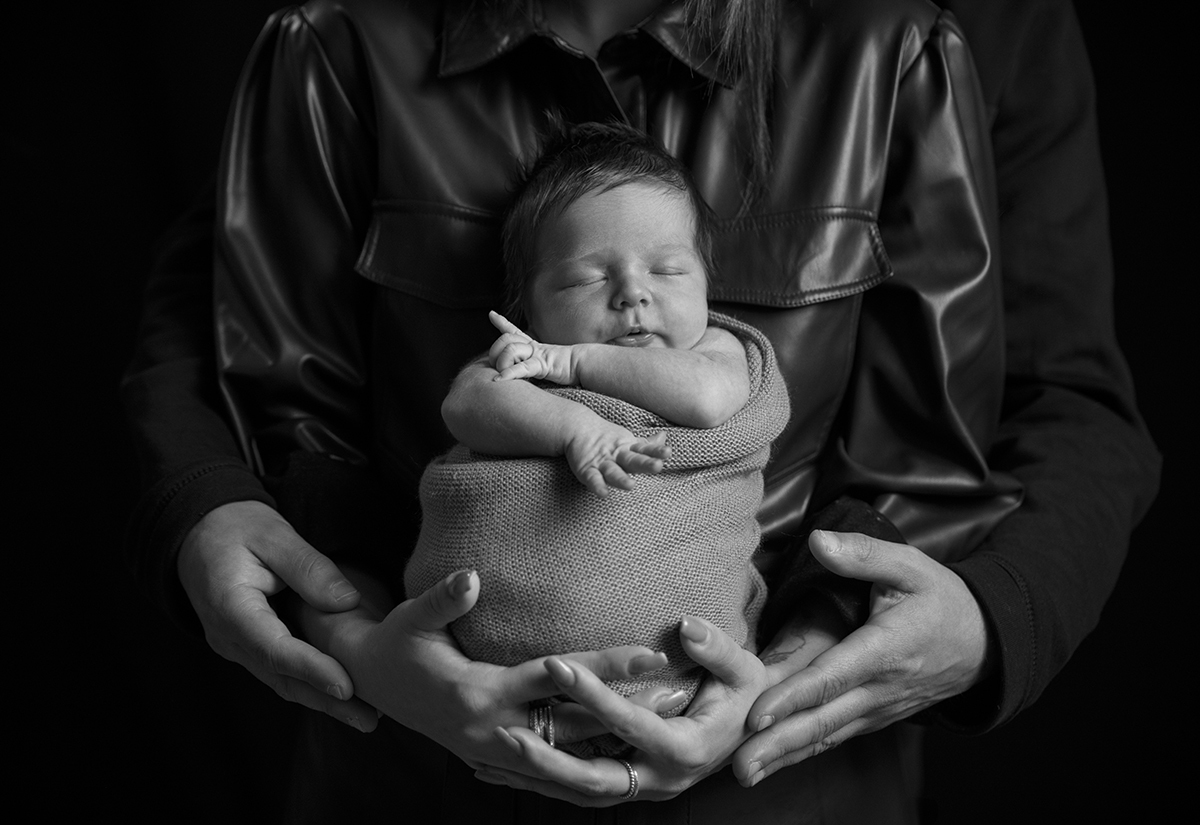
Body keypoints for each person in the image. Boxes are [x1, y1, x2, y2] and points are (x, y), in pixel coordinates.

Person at [121, 0, 1160, 821]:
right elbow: (220, 339)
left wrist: (965, 622)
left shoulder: (911, 45)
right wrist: (282, 574)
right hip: (408, 767)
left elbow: (1058, 395)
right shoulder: (331, 43)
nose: (636, 298)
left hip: (788, 784)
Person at [406, 121, 793, 758]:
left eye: (669, 271)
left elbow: (706, 400)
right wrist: (575, 428)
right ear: (527, 305)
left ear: (706, 280)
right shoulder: (518, 359)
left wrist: (572, 365)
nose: (633, 294)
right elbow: (466, 406)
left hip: (689, 669)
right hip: (484, 680)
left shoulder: (720, 352)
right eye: (586, 279)